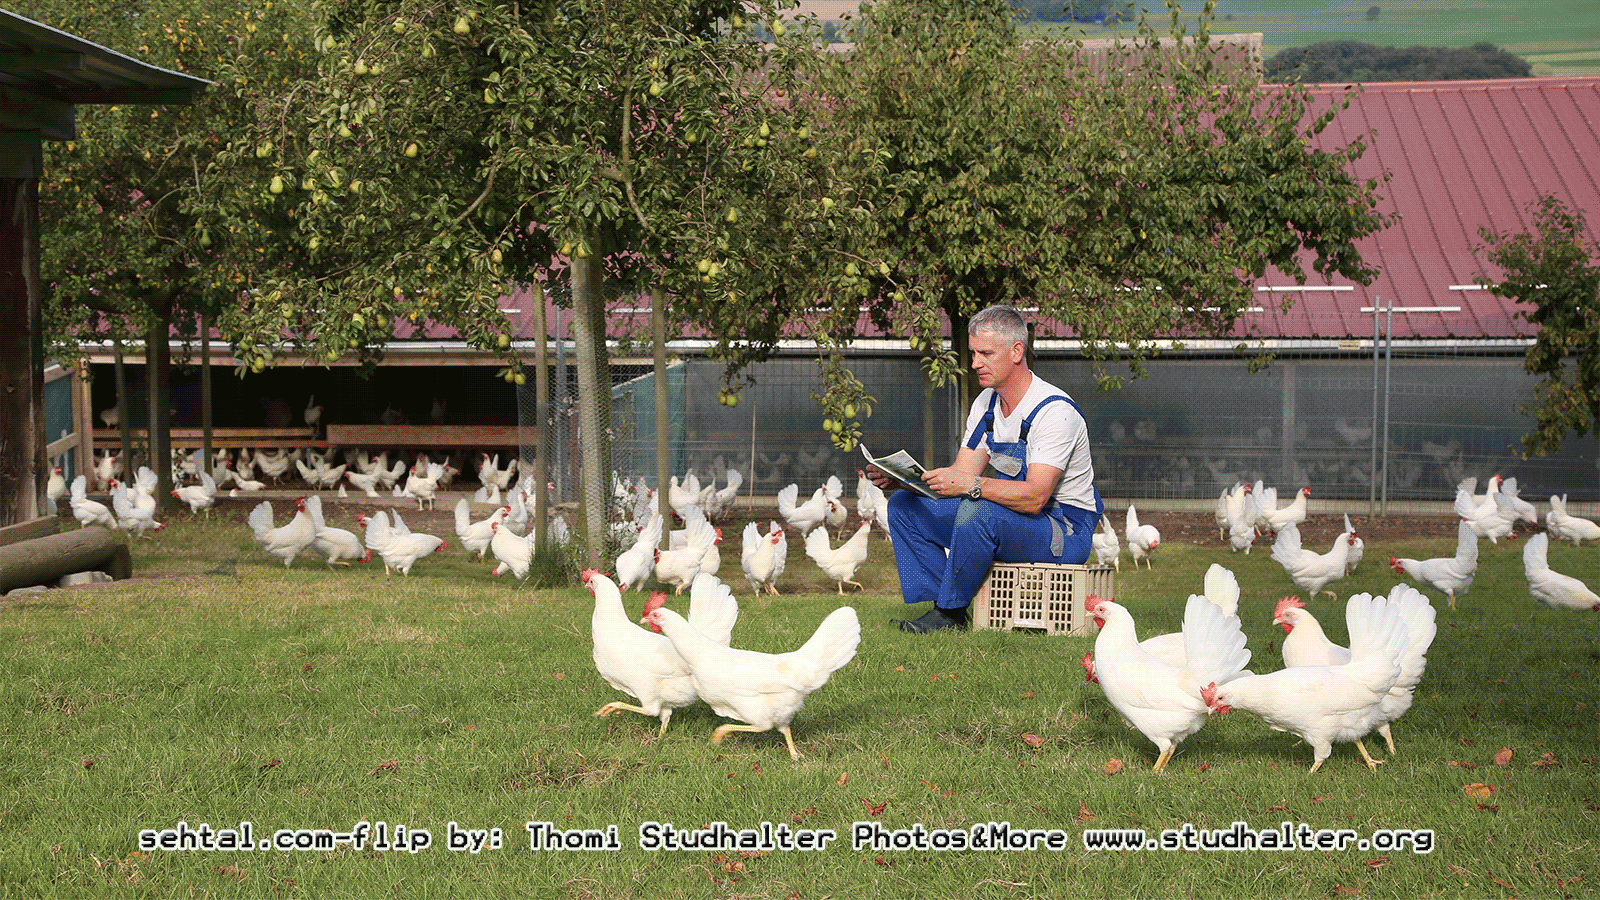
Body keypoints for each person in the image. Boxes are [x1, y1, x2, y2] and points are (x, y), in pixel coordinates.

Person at [866, 305, 1102, 633]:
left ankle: (949, 613)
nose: (975, 363)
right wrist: (904, 482)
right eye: (974, 353)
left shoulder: (1055, 412)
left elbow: (1034, 497)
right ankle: (945, 610)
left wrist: (970, 486)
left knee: (978, 511)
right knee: (906, 508)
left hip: (1062, 532)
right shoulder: (985, 404)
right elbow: (961, 474)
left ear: (1016, 351)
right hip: (1014, 519)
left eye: (986, 353)